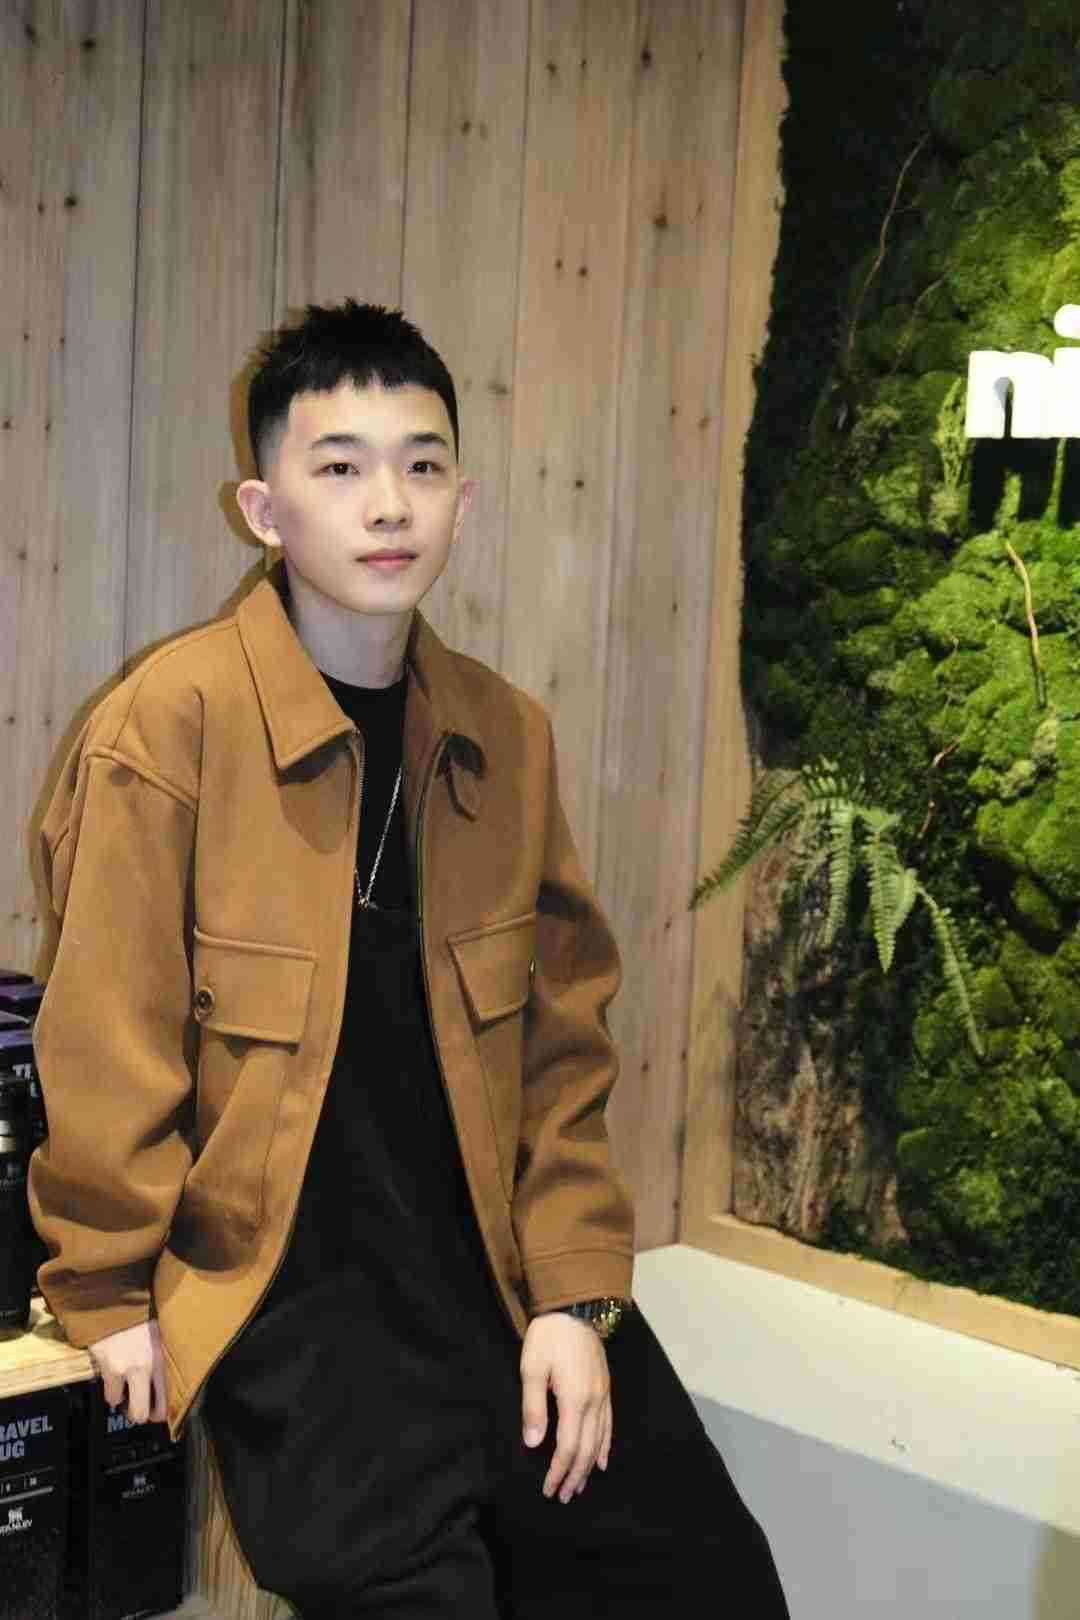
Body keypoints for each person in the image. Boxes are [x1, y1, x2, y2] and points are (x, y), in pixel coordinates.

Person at [28, 301, 790, 1618]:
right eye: (340, 467)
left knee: (716, 1582)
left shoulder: (507, 733)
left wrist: (580, 1302)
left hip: (504, 1286)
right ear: (263, 510)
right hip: (301, 1326)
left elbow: (563, 1051)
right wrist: (104, 1289)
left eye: (422, 464)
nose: (389, 503)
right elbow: (108, 1031)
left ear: (463, 499)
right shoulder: (169, 726)